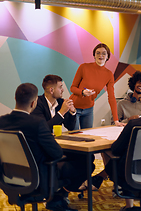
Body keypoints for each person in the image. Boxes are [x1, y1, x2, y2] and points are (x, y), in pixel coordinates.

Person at [0, 83, 87, 211]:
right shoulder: (37, 123)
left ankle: (56, 198)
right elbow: (57, 154)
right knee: (85, 162)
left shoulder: (2, 121)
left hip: (9, 175)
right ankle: (58, 196)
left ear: (15, 99)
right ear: (33, 103)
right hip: (39, 178)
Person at [31, 74, 97, 193]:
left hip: (58, 145)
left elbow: (70, 127)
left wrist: (72, 113)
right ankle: (59, 192)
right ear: (51, 90)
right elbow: (43, 128)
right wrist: (61, 113)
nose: (63, 90)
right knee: (86, 165)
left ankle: (64, 191)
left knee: (88, 157)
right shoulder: (38, 104)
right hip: (45, 149)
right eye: (60, 87)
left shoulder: (61, 102)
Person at [70, 43, 121, 129]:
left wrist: (116, 120)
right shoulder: (84, 67)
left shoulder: (109, 75)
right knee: (75, 136)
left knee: (88, 137)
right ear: (94, 55)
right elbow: (72, 88)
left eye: (104, 53)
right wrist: (82, 92)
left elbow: (111, 97)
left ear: (108, 56)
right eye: (98, 53)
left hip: (89, 110)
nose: (100, 55)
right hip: (74, 107)